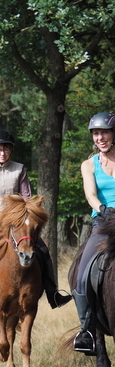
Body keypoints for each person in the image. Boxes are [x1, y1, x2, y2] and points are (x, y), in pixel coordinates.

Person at [0, 129, 72, 317]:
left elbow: (26, 198)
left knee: (42, 251)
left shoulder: (19, 169)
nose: (2, 153)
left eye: (6, 149)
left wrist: (20, 217)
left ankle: (53, 293)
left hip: (17, 223)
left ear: (11, 150)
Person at [72, 112, 115, 354]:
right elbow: (90, 194)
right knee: (82, 270)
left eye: (105, 132)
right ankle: (85, 329)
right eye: (96, 134)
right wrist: (102, 208)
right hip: (104, 222)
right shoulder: (89, 164)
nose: (100, 137)